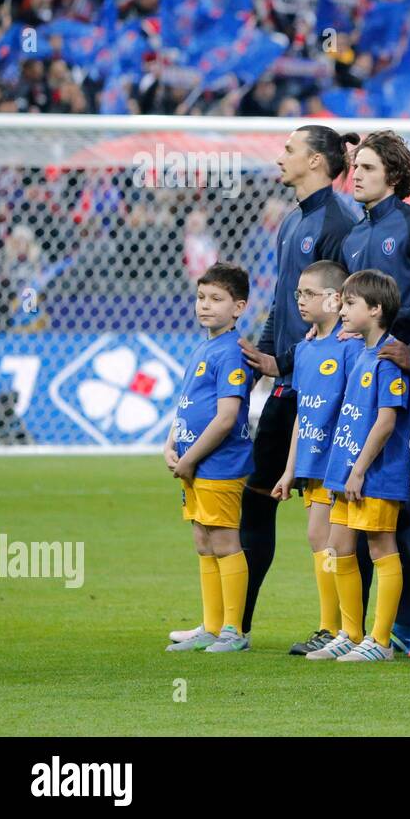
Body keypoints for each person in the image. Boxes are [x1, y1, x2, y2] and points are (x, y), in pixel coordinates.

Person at [199, 126, 355, 649]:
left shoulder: (339, 220)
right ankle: (230, 625)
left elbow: (341, 306)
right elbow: (288, 305)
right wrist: (268, 356)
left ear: (315, 161)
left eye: (289, 149)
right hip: (289, 383)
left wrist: (301, 361)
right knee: (256, 498)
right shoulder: (292, 219)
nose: (279, 156)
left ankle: (344, 629)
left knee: (335, 517)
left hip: (323, 390)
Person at [341, 129, 410, 655]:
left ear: (393, 174)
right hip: (371, 378)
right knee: (384, 503)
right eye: (354, 166)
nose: (356, 174)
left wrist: (398, 335)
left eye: (366, 167)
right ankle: (400, 628)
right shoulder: (350, 238)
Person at [308, 270, 410, 663]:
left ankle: (380, 640)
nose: (342, 309)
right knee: (337, 547)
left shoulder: (388, 357)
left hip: (376, 472)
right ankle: (350, 633)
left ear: (376, 309)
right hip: (346, 467)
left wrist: (359, 469)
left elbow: (386, 421)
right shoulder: (362, 352)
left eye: (350, 303)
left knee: (380, 546)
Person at [269, 260, 363, 656]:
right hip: (310, 462)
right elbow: (302, 413)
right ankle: (333, 625)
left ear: (335, 298)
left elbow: (357, 407)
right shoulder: (305, 350)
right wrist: (290, 469)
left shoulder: (349, 347)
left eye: (308, 294)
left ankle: (341, 628)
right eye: (297, 294)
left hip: (336, 462)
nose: (300, 301)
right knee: (318, 540)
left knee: (331, 542)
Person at [164, 263, 254, 654]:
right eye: (202, 297)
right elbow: (186, 404)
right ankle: (212, 625)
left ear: (239, 307)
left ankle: (233, 630)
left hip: (219, 463)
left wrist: (190, 458)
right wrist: (170, 444)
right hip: (193, 463)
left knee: (224, 540)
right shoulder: (202, 347)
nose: (205, 306)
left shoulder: (232, 352)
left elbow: (226, 418)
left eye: (216, 299)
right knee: (203, 540)